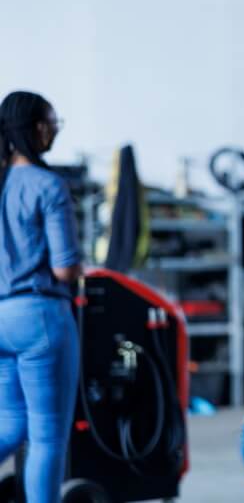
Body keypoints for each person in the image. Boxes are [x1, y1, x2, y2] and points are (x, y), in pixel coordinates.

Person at [0, 91, 82, 503]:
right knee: (48, 436)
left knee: (10, 426)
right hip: (40, 320)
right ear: (37, 128)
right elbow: (65, 268)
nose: (54, 131)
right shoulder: (47, 184)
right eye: (53, 123)